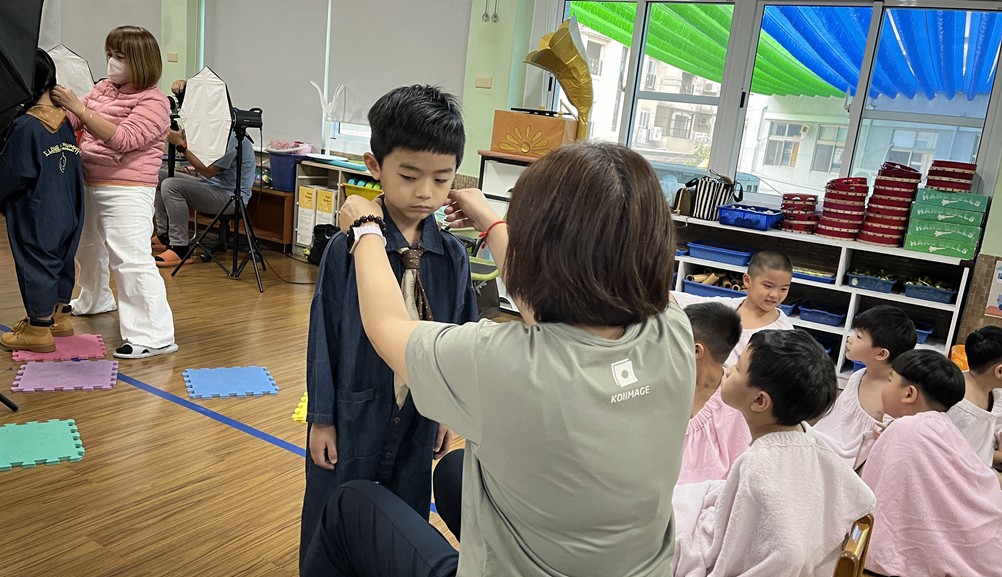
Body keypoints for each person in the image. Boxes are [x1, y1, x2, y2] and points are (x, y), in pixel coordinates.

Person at [301, 142, 696, 577]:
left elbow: (387, 328)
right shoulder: (673, 326)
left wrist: (365, 230)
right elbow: (554, 305)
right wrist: (491, 222)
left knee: (350, 505)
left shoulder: (504, 364)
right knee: (453, 472)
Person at [298, 85, 478, 567]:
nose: (425, 193)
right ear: (374, 166)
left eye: (441, 179)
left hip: (420, 410)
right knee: (334, 508)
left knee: (405, 517)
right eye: (409, 176)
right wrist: (321, 417)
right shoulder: (348, 248)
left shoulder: (452, 256)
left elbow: (462, 339)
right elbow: (324, 336)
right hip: (354, 409)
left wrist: (447, 413)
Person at [672, 330, 874, 577]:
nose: (728, 370)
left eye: (738, 367)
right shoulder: (807, 436)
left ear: (759, 401)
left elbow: (782, 553)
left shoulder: (757, 465)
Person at [50, 25, 176, 359]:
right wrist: (51, 109)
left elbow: (123, 139)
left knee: (131, 260)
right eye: (109, 54)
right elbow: (73, 122)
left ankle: (154, 335)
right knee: (87, 248)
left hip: (127, 189)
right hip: (89, 179)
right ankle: (95, 299)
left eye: (120, 56)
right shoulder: (103, 89)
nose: (112, 62)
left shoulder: (155, 102)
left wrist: (79, 109)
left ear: (140, 61)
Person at [861, 349, 1002, 577]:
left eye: (890, 381)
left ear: (909, 393)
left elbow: (880, 503)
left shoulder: (904, 429)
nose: (884, 388)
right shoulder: (942, 423)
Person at [0, 49, 84, 353]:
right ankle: (59, 316)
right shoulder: (64, 123)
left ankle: (38, 329)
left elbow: (12, 173)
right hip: (69, 206)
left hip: (37, 209)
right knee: (61, 259)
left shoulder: (26, 126)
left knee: (36, 261)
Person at [151, 78, 256, 267]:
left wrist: (181, 145)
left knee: (171, 185)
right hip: (211, 186)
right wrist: (184, 87)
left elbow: (208, 171)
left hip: (230, 197)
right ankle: (164, 234)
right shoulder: (212, 125)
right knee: (160, 175)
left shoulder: (231, 133)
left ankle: (180, 249)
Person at [812, 305, 917, 468]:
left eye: (859, 336)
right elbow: (834, 420)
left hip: (851, 464)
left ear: (881, 354)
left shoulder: (892, 394)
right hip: (826, 444)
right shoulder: (858, 376)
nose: (850, 339)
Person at [671, 249, 794, 367]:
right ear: (747, 280)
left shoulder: (784, 331)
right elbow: (677, 299)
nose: (775, 295)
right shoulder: (728, 307)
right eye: (768, 286)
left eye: (783, 289)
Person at [947, 326, 1002, 493]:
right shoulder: (963, 412)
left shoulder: (986, 385)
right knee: (990, 483)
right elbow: (968, 465)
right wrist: (1001, 456)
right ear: (1000, 370)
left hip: (985, 457)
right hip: (966, 477)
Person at [678, 302, 746, 484]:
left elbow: (739, 469)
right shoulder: (664, 382)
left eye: (675, 339)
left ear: (696, 350)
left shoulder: (737, 405)